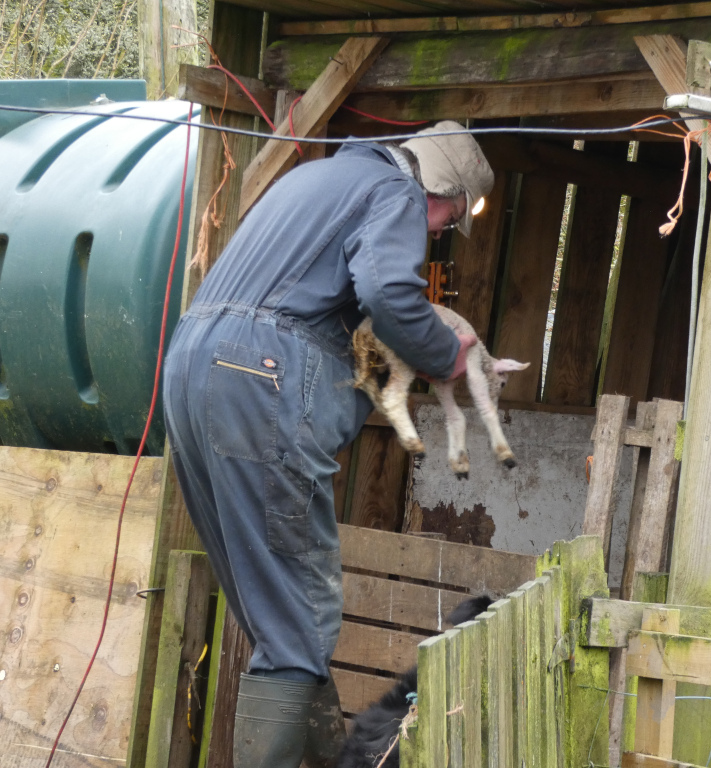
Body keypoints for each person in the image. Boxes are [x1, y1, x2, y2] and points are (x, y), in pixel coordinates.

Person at [161, 120, 495, 768]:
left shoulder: (316, 178)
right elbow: (388, 292)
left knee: (280, 620)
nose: (435, 235)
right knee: (297, 624)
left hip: (190, 366)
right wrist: (443, 355)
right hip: (262, 378)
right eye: (447, 221)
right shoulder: (393, 190)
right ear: (440, 187)